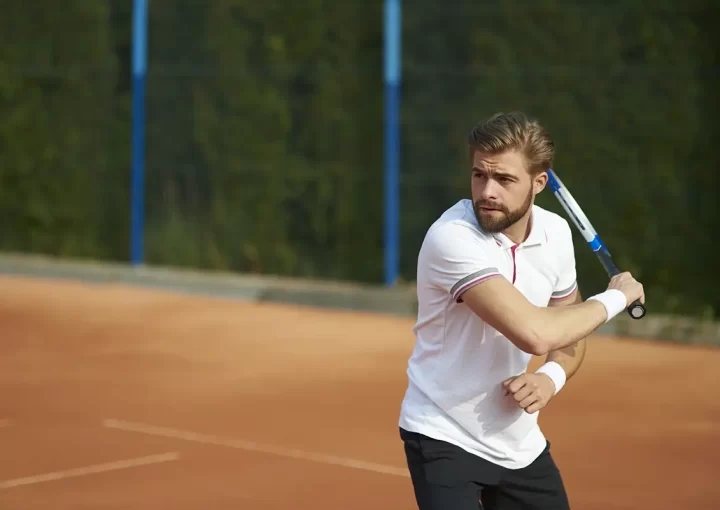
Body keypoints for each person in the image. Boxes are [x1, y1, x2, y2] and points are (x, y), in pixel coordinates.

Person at [397, 112, 645, 510]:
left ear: (539, 183)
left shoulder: (556, 234)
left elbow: (568, 331)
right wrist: (617, 298)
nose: (487, 191)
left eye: (505, 179)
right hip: (442, 432)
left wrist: (550, 377)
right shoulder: (452, 238)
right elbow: (535, 333)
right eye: (479, 175)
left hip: (518, 443)